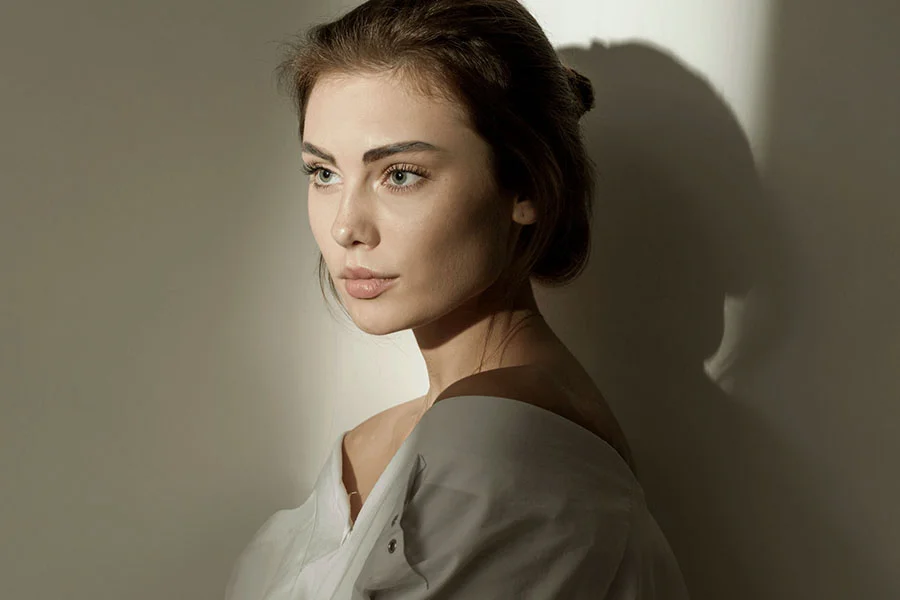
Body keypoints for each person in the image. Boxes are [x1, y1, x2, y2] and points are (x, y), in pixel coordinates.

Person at [225, 1, 690, 598]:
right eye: (324, 173)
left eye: (400, 174)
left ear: (526, 186)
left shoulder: (501, 443)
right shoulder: (385, 442)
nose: (345, 227)